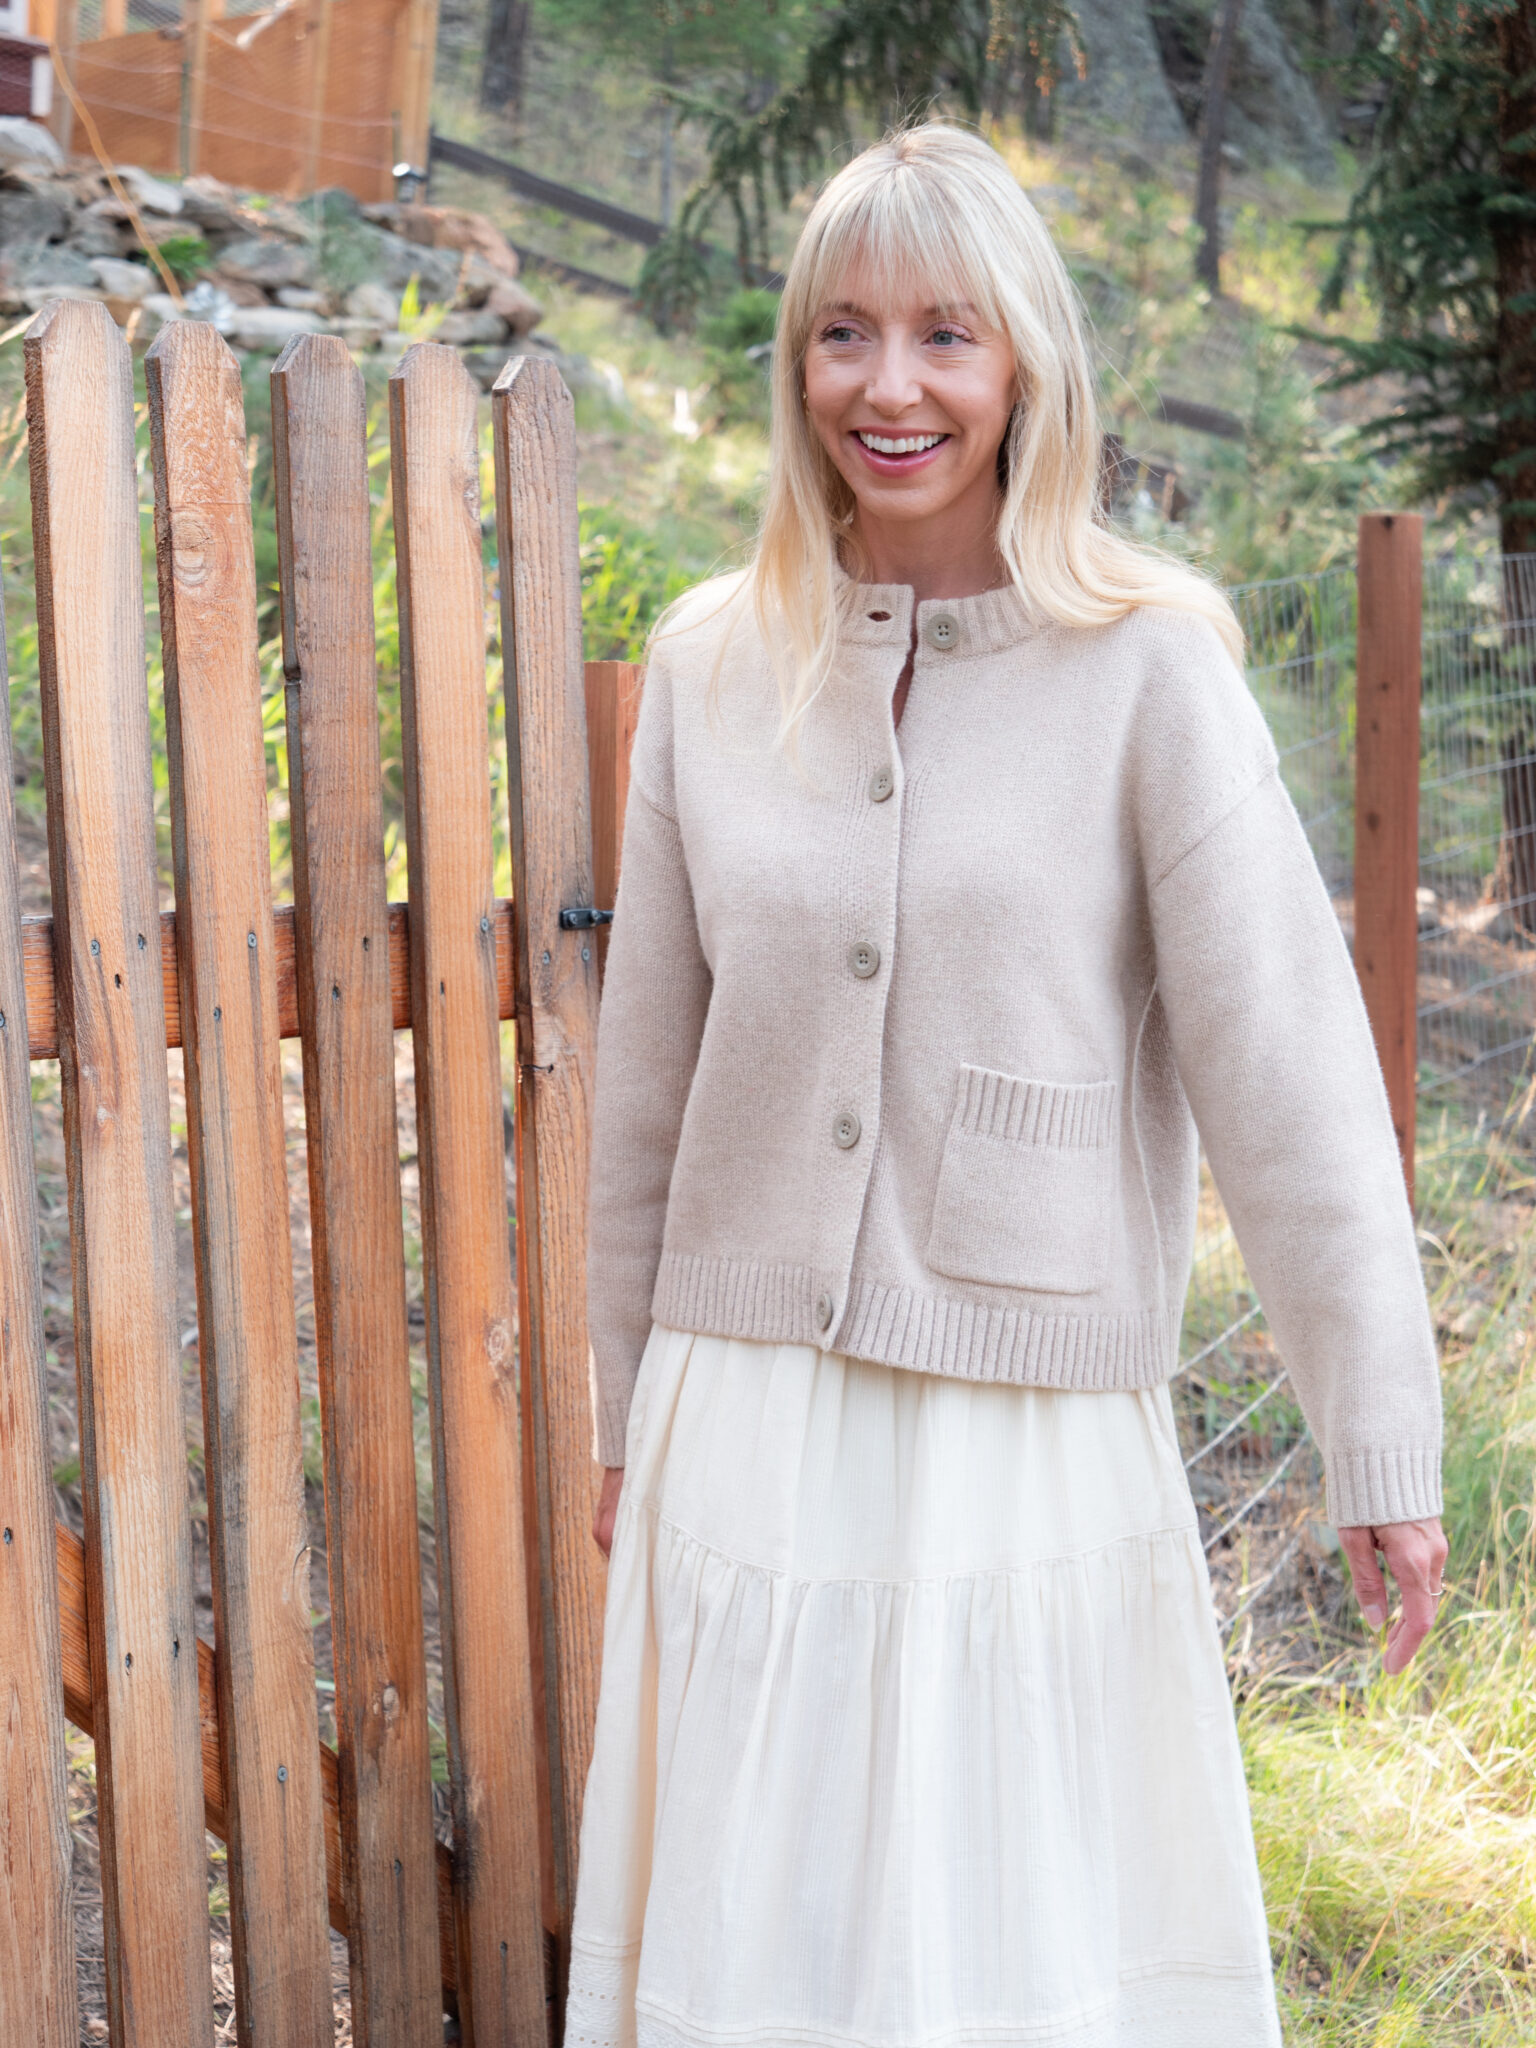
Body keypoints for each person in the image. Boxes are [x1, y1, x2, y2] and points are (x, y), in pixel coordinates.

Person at [565, 123, 1447, 2048]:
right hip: (749, 1421)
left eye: (946, 336)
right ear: (797, 365)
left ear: (1025, 362)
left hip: (1018, 1431)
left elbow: (1292, 1079)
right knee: (767, 1931)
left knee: (1000, 1942)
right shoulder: (714, 666)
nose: (892, 388)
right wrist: (624, 1407)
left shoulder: (1150, 669)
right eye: (845, 335)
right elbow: (644, 1094)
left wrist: (1378, 1444)